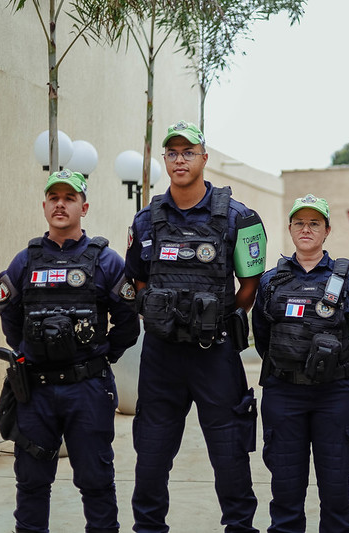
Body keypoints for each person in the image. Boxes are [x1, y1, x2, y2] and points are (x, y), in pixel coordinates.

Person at [125, 120, 267, 533]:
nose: (180, 159)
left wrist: (217, 317)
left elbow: (250, 284)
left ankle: (239, 527)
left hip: (214, 353)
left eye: (189, 152)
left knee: (230, 453)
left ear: (204, 158)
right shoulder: (145, 221)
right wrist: (167, 314)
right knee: (150, 455)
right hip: (162, 356)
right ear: (164, 160)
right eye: (172, 153)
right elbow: (138, 281)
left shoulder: (239, 217)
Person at [0, 169, 140, 533]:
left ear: (83, 207)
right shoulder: (24, 261)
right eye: (54, 198)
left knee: (95, 480)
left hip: (87, 388)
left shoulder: (106, 261)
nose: (61, 204)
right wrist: (30, 351)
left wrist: (100, 355)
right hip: (35, 390)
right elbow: (9, 317)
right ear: (44, 205)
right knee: (30, 481)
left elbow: (128, 322)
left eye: (69, 198)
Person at [251, 194, 349, 532]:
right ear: (290, 228)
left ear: (327, 231)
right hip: (284, 394)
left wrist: (337, 368)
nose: (306, 229)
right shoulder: (269, 282)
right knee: (286, 493)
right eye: (299, 223)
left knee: (336, 491)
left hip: (335, 395)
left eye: (314, 223)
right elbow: (262, 336)